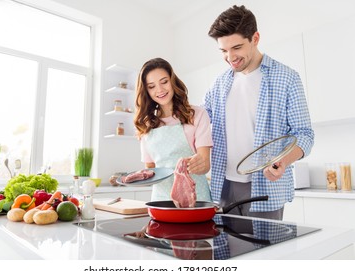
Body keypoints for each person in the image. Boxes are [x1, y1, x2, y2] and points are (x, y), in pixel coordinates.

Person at [204, 5, 314, 220]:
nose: (230, 57)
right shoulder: (219, 83)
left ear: (255, 38)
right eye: (224, 51)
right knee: (227, 252)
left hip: (266, 188)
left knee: (267, 252)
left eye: (236, 47)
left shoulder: (287, 78)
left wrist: (283, 161)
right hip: (223, 185)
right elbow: (198, 120)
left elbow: (305, 134)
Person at [134, 58, 212, 202]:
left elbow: (205, 164)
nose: (160, 90)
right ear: (146, 91)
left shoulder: (197, 115)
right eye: (151, 86)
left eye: (164, 82)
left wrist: (195, 165)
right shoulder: (147, 125)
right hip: (161, 200)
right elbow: (150, 167)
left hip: (195, 197)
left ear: (172, 81)